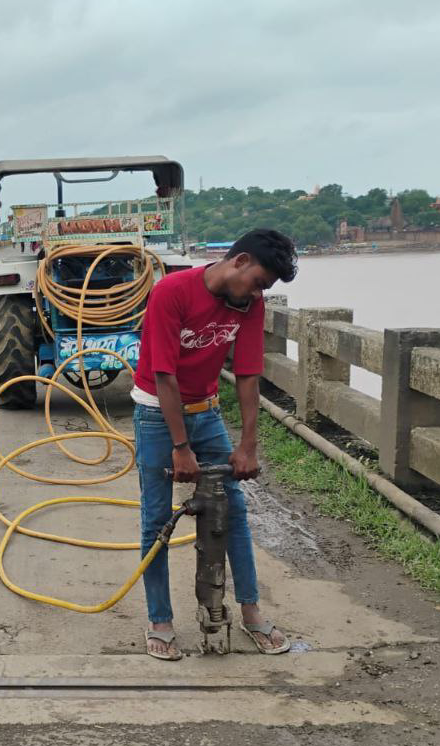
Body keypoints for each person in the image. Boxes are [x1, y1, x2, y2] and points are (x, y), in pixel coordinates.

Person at [132, 228, 298, 660]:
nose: (258, 293)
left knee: (236, 510)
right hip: (156, 411)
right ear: (240, 261)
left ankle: (251, 612)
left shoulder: (250, 305)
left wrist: (248, 446)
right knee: (155, 519)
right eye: (259, 281)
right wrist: (180, 447)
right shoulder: (172, 292)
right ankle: (161, 619)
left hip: (205, 411)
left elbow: (247, 373)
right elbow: (164, 375)